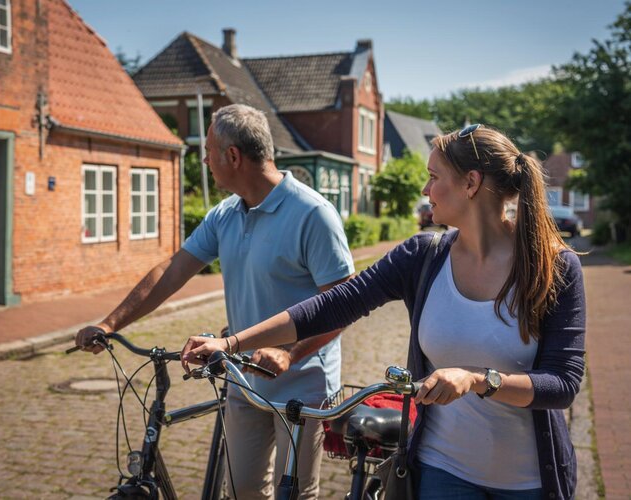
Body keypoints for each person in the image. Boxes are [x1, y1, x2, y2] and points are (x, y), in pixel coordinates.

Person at [182, 124, 585, 500]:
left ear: (470, 183)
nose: (426, 189)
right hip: (442, 471)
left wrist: (479, 380)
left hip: (529, 480)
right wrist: (231, 341)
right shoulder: (423, 256)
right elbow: (334, 304)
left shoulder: (556, 267)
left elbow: (562, 384)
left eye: (434, 177)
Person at [75, 104, 355, 499]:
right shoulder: (225, 214)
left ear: (233, 156)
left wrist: (290, 353)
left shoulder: (312, 214)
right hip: (243, 378)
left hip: (302, 384)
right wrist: (110, 324)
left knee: (294, 493)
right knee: (241, 491)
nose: (204, 160)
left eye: (208, 151)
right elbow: (171, 271)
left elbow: (343, 304)